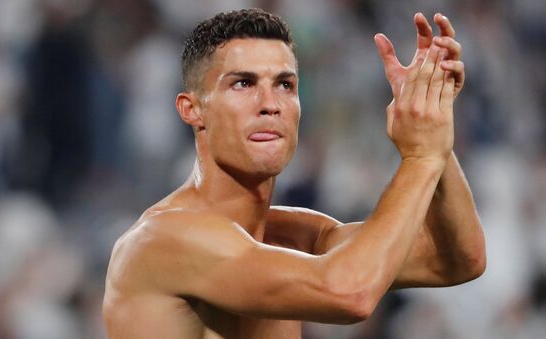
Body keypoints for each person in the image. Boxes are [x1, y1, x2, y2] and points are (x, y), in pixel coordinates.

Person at [103, 8, 485, 339]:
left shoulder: (294, 236)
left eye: (285, 84)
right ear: (192, 109)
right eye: (243, 83)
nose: (270, 104)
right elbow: (350, 293)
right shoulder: (164, 238)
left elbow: (457, 259)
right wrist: (420, 156)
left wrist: (431, 122)